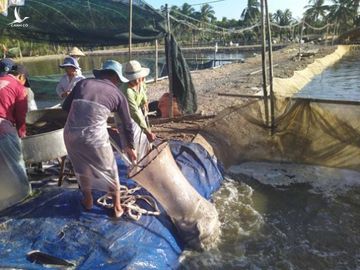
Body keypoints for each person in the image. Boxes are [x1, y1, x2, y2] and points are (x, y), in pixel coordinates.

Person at [62, 60, 137, 218]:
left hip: (70, 134)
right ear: (116, 78)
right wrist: (130, 146)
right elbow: (127, 124)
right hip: (94, 137)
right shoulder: (118, 94)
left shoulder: (83, 83)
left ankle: (88, 200)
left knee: (81, 168)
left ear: (101, 74)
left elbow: (66, 107)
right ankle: (117, 207)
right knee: (110, 170)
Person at [0, 62, 31, 209]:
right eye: (25, 81)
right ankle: (25, 196)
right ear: (21, 76)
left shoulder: (1, 80)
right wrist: (21, 134)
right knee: (17, 164)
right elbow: (21, 116)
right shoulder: (19, 88)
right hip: (3, 128)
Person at [122, 60, 156, 142]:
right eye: (133, 79)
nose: (137, 81)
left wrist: (145, 101)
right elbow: (134, 112)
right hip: (126, 114)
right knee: (132, 140)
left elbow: (143, 90)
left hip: (137, 109)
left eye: (138, 78)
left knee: (143, 135)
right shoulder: (127, 91)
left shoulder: (142, 81)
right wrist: (147, 132)